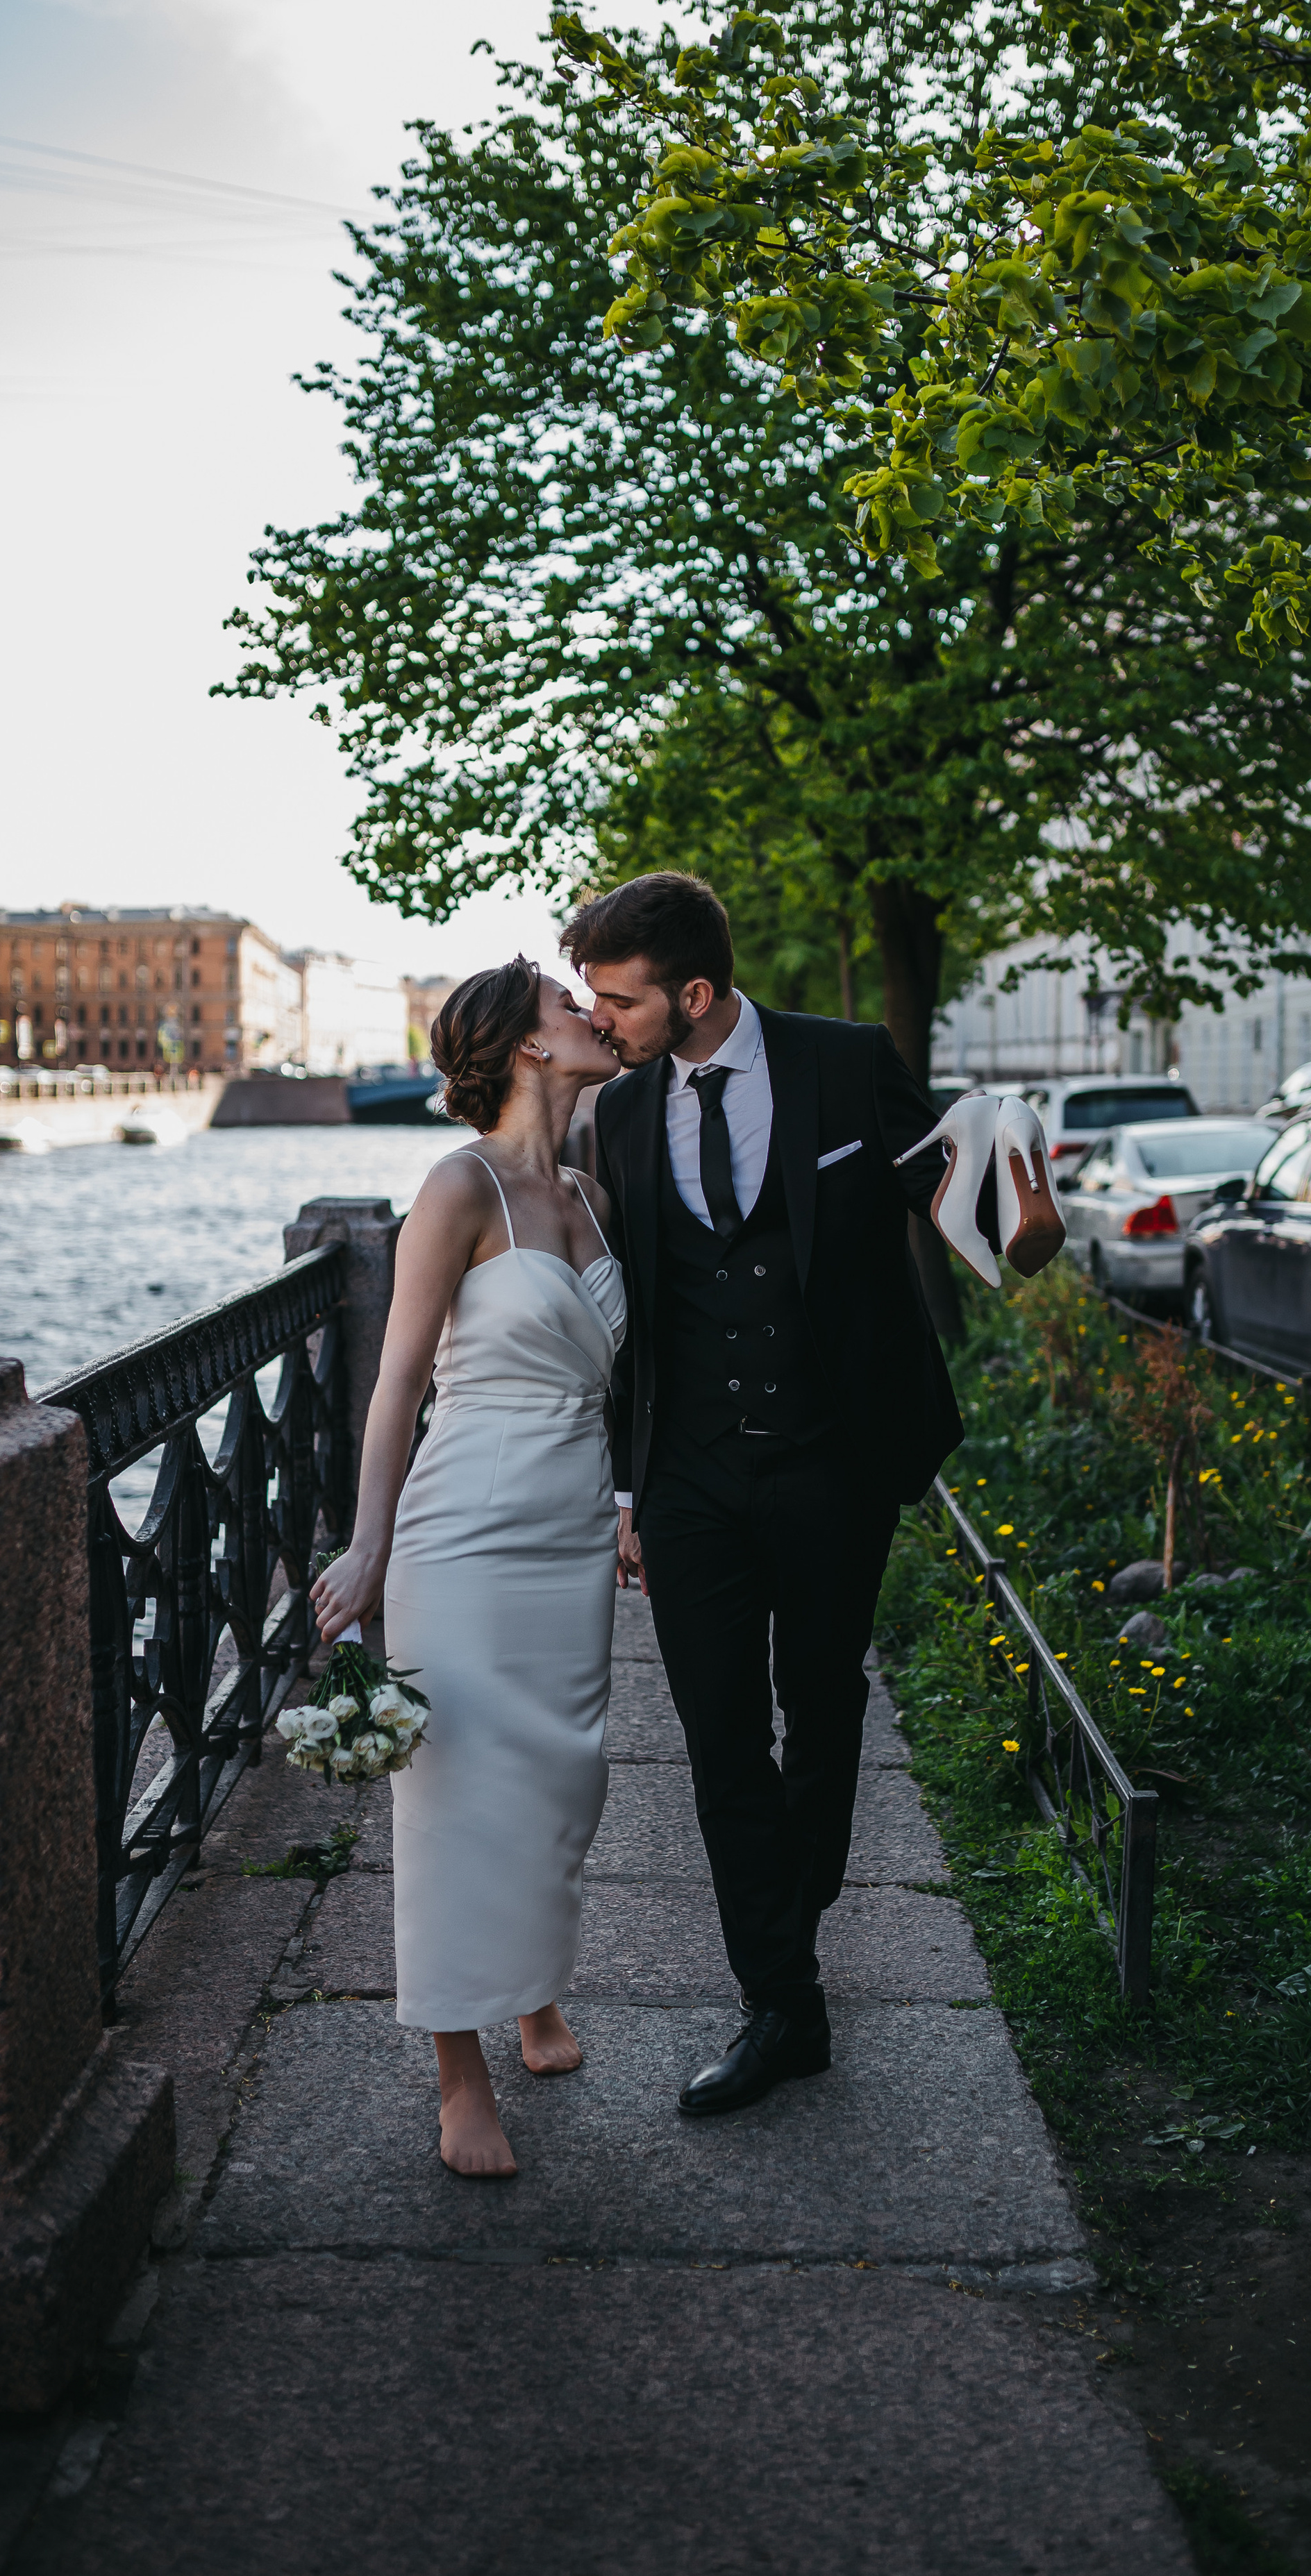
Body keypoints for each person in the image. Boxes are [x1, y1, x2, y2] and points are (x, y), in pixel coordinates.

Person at [560, 870, 1008, 2118]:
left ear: (693, 994)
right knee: (717, 1738)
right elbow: (635, 1318)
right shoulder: (622, 1111)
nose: (604, 1022)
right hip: (693, 1475)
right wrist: (626, 1491)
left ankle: (790, 1912)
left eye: (621, 1001)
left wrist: (1015, 1177)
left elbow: (961, 1208)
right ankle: (780, 2004)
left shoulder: (847, 1063)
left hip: (836, 1460)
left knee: (821, 1711)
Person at [311, 959, 623, 2179]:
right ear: (527, 1047)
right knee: (458, 1795)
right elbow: (398, 1378)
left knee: (564, 1780)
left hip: (572, 1528)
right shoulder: (459, 1186)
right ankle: (458, 2074)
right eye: (568, 1004)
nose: (593, 1015)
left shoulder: (593, 1196)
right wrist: (369, 1540)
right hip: (468, 1527)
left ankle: (534, 1992)